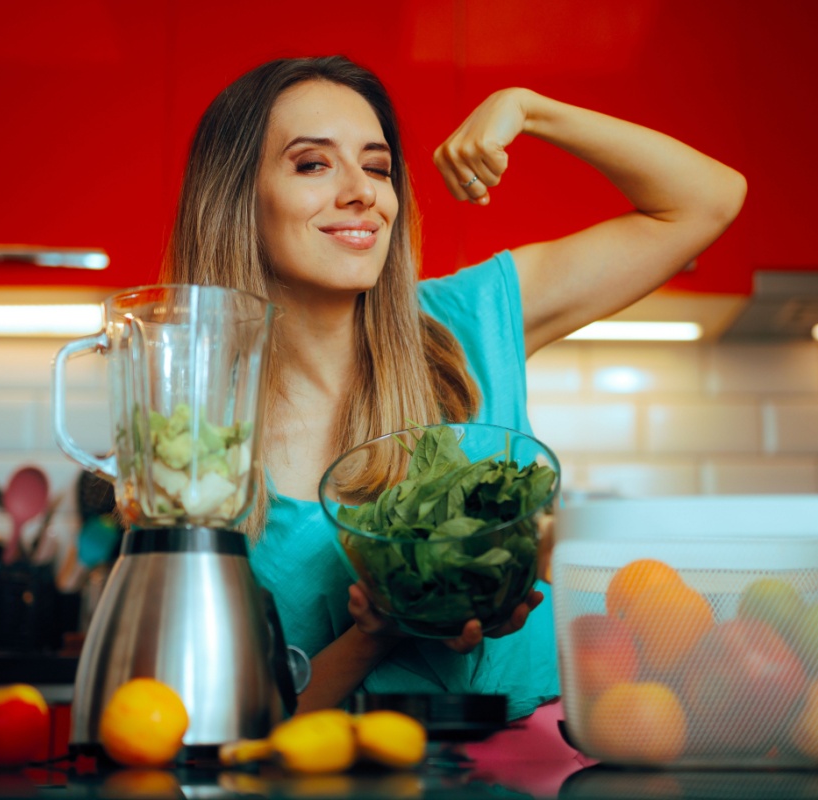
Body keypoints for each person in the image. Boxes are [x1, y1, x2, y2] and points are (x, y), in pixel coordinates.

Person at [162, 56, 745, 727]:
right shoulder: (199, 449)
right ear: (237, 198)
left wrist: (527, 107)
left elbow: (707, 201)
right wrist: (383, 628)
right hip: (321, 774)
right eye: (313, 164)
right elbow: (229, 722)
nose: (363, 194)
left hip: (536, 763)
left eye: (378, 167)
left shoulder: (470, 320)